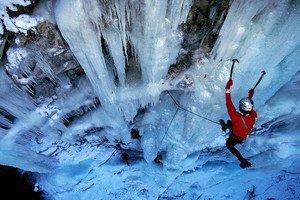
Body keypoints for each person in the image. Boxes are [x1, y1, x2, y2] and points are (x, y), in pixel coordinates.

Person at [219, 79, 257, 168]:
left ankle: (242, 160)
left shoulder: (236, 117)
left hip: (235, 135)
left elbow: (229, 103)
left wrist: (228, 88)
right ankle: (226, 127)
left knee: (229, 145)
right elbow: (249, 107)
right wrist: (250, 96)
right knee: (230, 123)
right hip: (240, 136)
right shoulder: (253, 115)